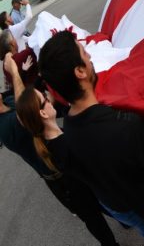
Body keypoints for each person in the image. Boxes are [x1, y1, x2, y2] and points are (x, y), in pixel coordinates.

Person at [38, 30, 144, 246]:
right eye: (84, 52)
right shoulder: (128, 126)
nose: (90, 56)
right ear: (80, 71)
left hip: (129, 209)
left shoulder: (68, 134)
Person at [2, 54, 118, 246]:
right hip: (73, 185)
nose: (48, 97)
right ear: (41, 112)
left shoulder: (54, 136)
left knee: (98, 213)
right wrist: (14, 71)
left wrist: (24, 74)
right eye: (45, 99)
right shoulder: (64, 141)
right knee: (97, 216)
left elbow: (23, 102)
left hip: (72, 181)